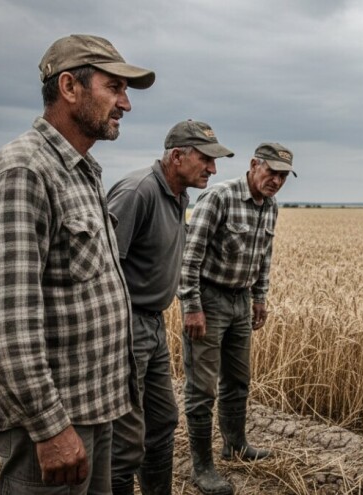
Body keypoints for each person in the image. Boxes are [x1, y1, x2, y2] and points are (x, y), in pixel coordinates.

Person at [0, 34, 154, 494]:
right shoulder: (23, 173)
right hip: (54, 421)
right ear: (69, 87)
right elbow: (4, 325)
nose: (125, 104)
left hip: (92, 407)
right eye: (115, 88)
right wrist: (50, 428)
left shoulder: (80, 171)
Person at [106, 120, 233, 494]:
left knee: (161, 421)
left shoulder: (177, 196)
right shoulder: (137, 193)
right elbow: (102, 268)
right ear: (177, 157)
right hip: (125, 326)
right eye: (206, 159)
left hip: (153, 326)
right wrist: (118, 333)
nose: (212, 169)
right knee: (124, 438)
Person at [178, 142, 296, 495]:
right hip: (210, 300)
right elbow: (190, 257)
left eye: (283, 176)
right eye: (271, 171)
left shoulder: (270, 206)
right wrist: (192, 306)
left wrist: (259, 298)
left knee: (238, 381)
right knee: (201, 387)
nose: (276, 180)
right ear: (253, 164)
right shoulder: (219, 197)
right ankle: (202, 466)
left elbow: (263, 257)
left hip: (241, 301)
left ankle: (235, 445)